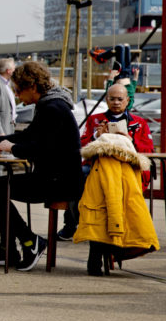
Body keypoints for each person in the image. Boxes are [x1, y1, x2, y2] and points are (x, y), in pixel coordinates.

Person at [0, 61, 83, 271]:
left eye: (18, 89)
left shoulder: (52, 108)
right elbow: (30, 135)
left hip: (59, 182)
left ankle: (28, 241)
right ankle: (11, 249)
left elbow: (43, 148)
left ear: (32, 87)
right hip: (56, 177)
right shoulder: (51, 104)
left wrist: (12, 148)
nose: (16, 95)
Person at [57, 83, 154, 240]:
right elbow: (81, 144)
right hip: (96, 167)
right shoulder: (95, 120)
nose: (116, 102)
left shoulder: (139, 123)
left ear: (127, 100)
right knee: (76, 178)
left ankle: (127, 227)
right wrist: (97, 136)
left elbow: (149, 150)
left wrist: (130, 140)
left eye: (120, 99)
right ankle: (72, 224)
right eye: (112, 99)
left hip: (127, 169)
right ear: (106, 100)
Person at [74, 133, 159, 276]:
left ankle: (97, 261)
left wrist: (116, 227)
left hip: (100, 213)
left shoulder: (106, 160)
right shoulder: (128, 162)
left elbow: (112, 193)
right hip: (121, 213)